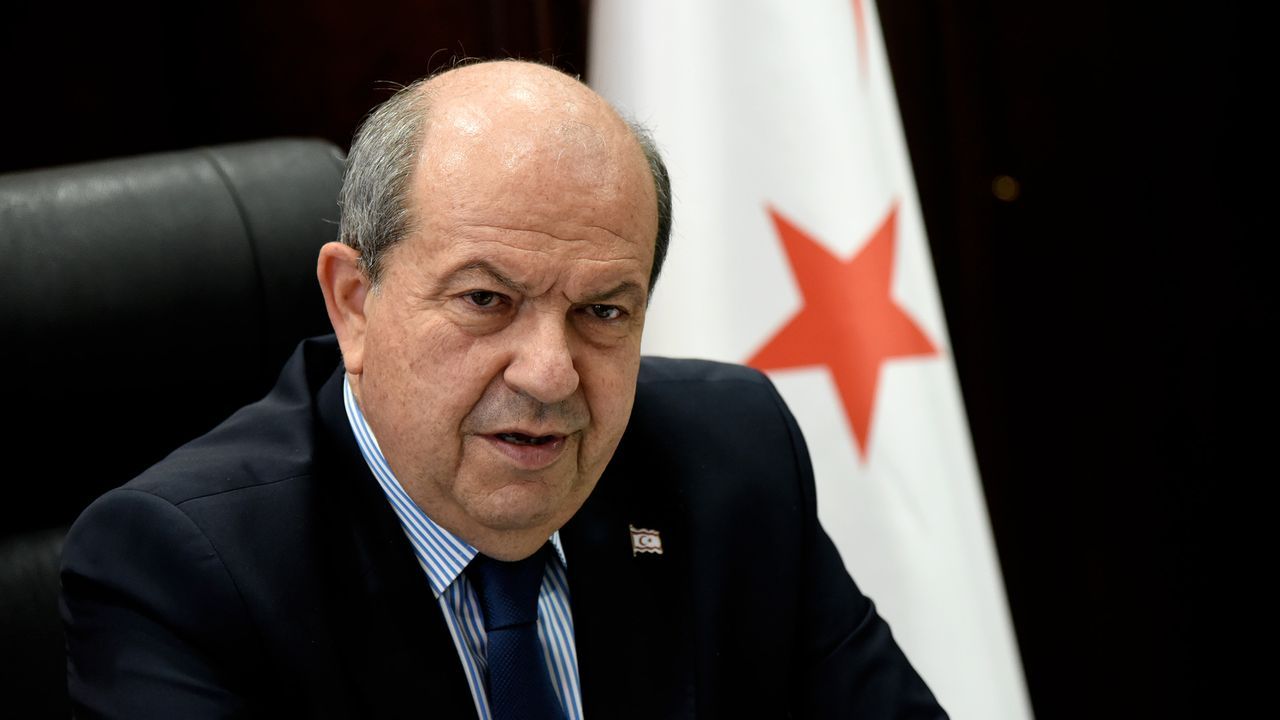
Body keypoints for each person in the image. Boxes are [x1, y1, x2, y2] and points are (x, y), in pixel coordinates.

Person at [61, 59, 946, 719]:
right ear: (355, 304)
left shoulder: (730, 458)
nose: (550, 373)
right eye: (486, 300)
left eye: (602, 311)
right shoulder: (180, 571)